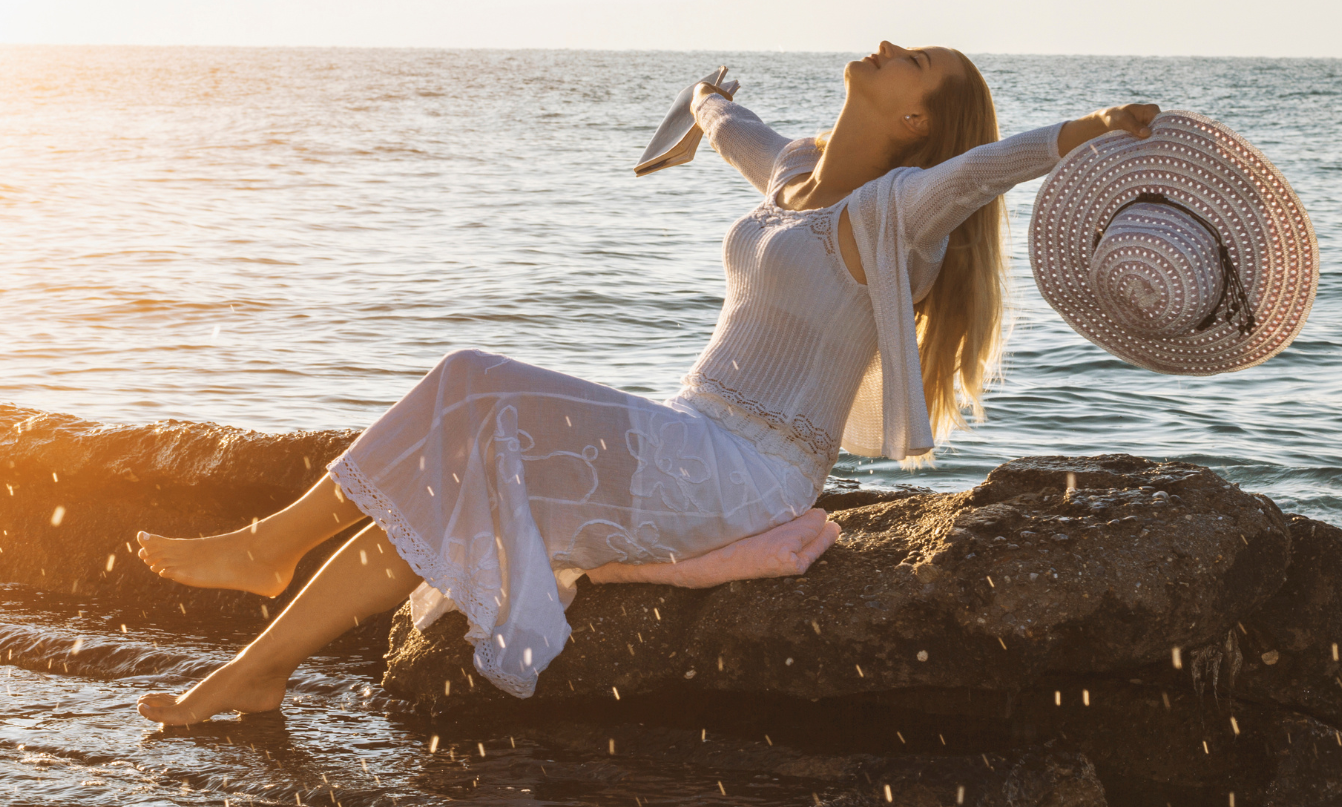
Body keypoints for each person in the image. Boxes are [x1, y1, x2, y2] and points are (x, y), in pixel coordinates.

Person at [133, 42, 1158, 724]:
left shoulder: (900, 210)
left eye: (914, 61)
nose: (889, 45)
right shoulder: (798, 173)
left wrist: (1085, 131)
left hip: (747, 471)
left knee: (469, 377)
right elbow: (725, 127)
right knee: (442, 486)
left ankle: (267, 545)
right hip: (688, 430)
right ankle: (258, 668)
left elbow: (984, 170)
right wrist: (701, 104)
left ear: (913, 121)